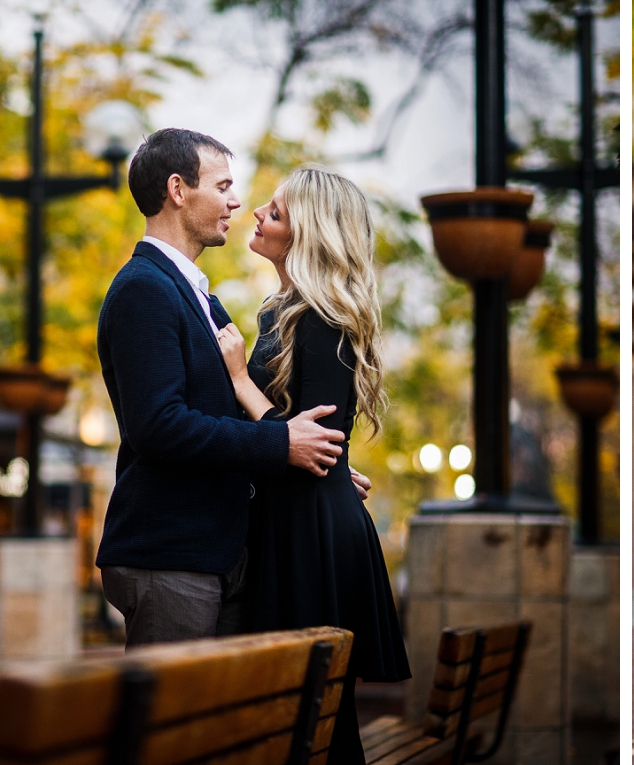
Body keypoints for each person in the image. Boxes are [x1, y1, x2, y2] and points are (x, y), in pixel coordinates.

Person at [94, 128, 348, 648]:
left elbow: (224, 407)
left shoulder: (191, 292)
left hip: (213, 553)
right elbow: (159, 426)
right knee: (173, 725)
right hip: (170, 555)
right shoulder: (144, 290)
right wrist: (282, 445)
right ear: (178, 190)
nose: (237, 202)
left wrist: (313, 456)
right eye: (224, 185)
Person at [214, 165, 408, 764]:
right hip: (302, 514)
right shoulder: (286, 312)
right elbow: (313, 440)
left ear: (309, 233)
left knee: (313, 720)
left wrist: (241, 380)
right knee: (302, 719)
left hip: (311, 532)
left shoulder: (319, 319)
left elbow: (314, 440)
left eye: (274, 212)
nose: (255, 214)